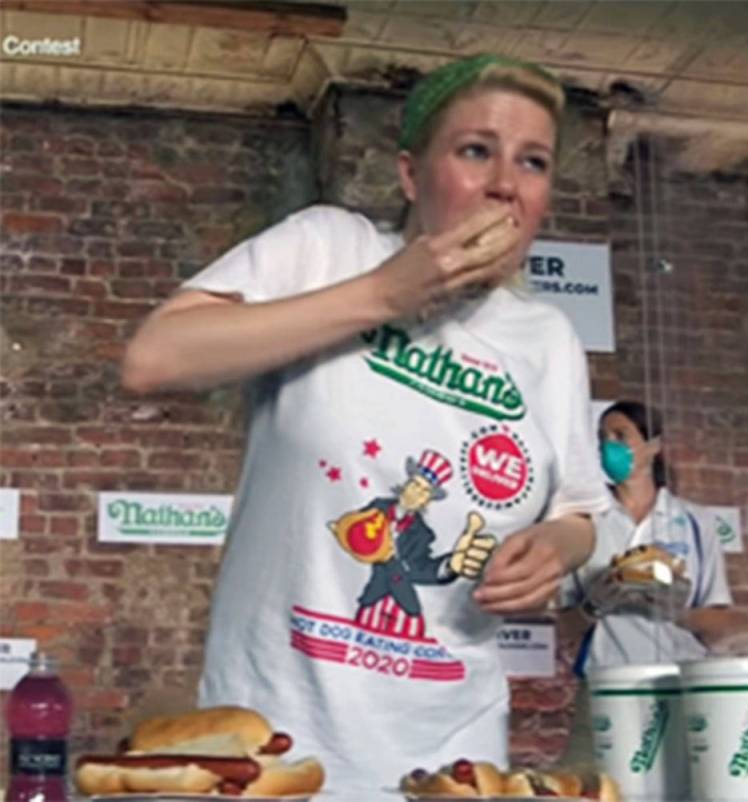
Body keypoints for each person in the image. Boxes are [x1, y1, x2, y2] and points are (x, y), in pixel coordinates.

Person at [121, 53, 609, 800]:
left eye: (533, 161)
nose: (505, 183)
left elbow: (580, 509)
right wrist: (384, 292)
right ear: (413, 176)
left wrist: (556, 546)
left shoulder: (546, 340)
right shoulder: (329, 248)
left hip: (452, 753)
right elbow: (154, 359)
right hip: (278, 745)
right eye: (476, 150)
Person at [563, 400, 739, 762]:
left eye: (620, 435)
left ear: (654, 445)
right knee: (591, 785)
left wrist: (677, 611)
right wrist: (595, 604)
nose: (608, 446)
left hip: (679, 683)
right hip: (605, 683)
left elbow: (721, 621)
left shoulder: (693, 520)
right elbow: (564, 628)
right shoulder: (583, 523)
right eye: (601, 438)